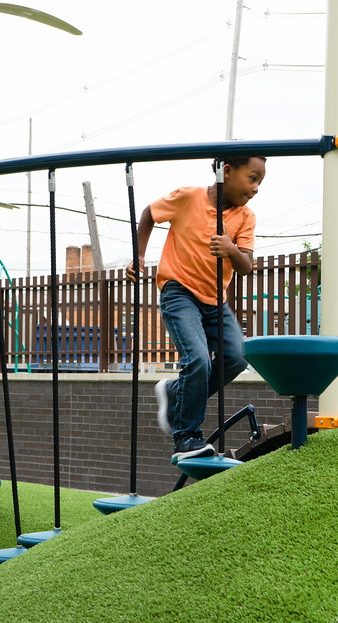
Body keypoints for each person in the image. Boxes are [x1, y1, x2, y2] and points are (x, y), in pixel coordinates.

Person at [127, 156, 265, 464]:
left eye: (260, 182)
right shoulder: (188, 198)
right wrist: (139, 256)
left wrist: (231, 249)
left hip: (215, 299)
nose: (256, 188)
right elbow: (150, 213)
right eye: (252, 178)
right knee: (198, 360)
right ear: (226, 171)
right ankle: (186, 436)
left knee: (237, 356)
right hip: (179, 291)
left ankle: (176, 392)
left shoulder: (246, 217)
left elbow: (245, 266)